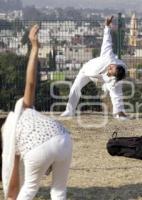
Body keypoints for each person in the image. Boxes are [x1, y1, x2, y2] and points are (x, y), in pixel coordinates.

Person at [1, 25, 73, 200]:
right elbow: (31, 83)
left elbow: (13, 180)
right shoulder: (25, 109)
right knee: (58, 191)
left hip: (38, 146)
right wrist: (35, 48)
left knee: (29, 189)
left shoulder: (10, 138)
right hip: (64, 138)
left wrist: (11, 197)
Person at [60, 16, 128, 119]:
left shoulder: (115, 80)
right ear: (114, 64)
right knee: (75, 87)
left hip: (102, 78)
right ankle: (69, 111)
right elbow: (107, 40)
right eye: (111, 67)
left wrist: (119, 114)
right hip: (87, 71)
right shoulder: (108, 55)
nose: (109, 69)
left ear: (114, 77)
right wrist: (107, 26)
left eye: (111, 72)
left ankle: (118, 114)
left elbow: (116, 96)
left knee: (115, 93)